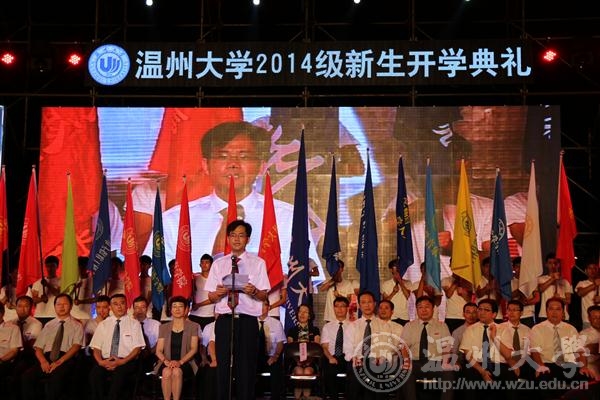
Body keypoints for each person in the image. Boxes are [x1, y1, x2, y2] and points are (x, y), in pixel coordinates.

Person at [146, 120, 322, 274]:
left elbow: (307, 278)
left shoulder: (288, 218)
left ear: (261, 167)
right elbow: (152, 278)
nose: (233, 164)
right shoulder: (175, 220)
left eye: (243, 156)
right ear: (206, 165)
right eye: (223, 156)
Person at [206, 220, 270, 400]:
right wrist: (218, 293)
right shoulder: (219, 264)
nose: (236, 239)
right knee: (223, 366)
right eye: (233, 235)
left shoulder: (258, 263)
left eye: (241, 235)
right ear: (228, 238)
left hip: (248, 320)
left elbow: (264, 295)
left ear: (247, 239)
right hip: (225, 320)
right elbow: (211, 297)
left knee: (246, 367)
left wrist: (254, 291)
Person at [529, 298, 596, 399]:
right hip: (548, 365)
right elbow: (534, 351)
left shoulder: (571, 329)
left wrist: (583, 366)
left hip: (568, 365)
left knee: (587, 377)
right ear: (546, 311)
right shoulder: (537, 328)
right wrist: (540, 365)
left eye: (558, 309)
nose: (554, 312)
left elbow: (579, 350)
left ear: (563, 312)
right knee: (543, 379)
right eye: (551, 309)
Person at [21, 294, 84, 400]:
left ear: (71, 306)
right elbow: (38, 348)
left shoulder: (77, 325)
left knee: (56, 379)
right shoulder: (48, 325)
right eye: (58, 304)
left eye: (65, 304)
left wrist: (59, 362)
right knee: (27, 377)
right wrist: (43, 362)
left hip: (65, 358)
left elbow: (76, 347)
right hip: (46, 358)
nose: (61, 307)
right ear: (54, 306)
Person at [88, 293, 145, 400]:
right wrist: (100, 362)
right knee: (95, 374)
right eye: (115, 304)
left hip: (126, 361)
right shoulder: (103, 324)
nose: (119, 306)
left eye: (122, 303)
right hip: (106, 360)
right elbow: (96, 347)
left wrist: (122, 362)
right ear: (110, 307)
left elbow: (137, 349)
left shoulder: (134, 324)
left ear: (126, 305)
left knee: (119, 376)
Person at [460, 299, 517, 400]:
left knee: (510, 377)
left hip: (498, 364)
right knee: (468, 375)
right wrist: (482, 372)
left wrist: (494, 337)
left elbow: (508, 355)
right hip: (477, 365)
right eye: (480, 309)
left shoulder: (503, 329)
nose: (482, 312)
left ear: (494, 314)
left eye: (486, 310)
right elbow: (468, 356)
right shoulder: (470, 330)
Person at [400, 296, 454, 400]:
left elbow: (447, 347)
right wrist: (407, 361)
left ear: (433, 309)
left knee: (448, 372)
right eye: (420, 307)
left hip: (435, 363)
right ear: (416, 310)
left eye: (427, 307)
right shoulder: (409, 326)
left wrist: (445, 362)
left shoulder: (442, 326)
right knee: (405, 371)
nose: (424, 310)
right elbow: (403, 347)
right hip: (415, 362)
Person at [343, 291, 388, 400]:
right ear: (359, 305)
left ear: (375, 304)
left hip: (377, 361)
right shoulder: (353, 326)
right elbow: (347, 348)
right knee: (356, 378)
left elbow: (387, 347)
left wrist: (381, 357)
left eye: (369, 302)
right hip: (358, 360)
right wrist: (353, 358)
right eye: (363, 302)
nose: (367, 305)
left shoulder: (383, 325)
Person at [154, 296, 201, 400]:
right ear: (170, 310)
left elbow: (194, 349)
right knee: (166, 372)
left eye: (180, 306)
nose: (177, 309)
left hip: (186, 362)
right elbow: (158, 350)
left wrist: (180, 362)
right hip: (166, 362)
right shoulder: (163, 327)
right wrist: (166, 361)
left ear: (186, 309)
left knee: (176, 371)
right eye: (174, 306)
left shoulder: (193, 326)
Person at [286, 303, 321, 400]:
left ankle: (306, 397)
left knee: (308, 372)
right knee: (299, 371)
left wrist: (308, 361)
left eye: (305, 312)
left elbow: (316, 348)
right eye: (300, 311)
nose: (302, 314)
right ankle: (297, 398)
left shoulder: (315, 330)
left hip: (311, 362)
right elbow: (290, 348)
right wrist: (298, 361)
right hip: (295, 362)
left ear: (309, 315)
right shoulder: (292, 331)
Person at [321, 296, 350, 400]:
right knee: (329, 371)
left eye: (342, 306)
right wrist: (330, 357)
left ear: (347, 308)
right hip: (332, 357)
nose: (339, 309)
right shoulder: (327, 326)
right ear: (333, 308)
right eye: (337, 306)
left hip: (348, 357)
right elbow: (324, 347)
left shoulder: (353, 325)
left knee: (354, 371)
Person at [256, 299, 285, 400]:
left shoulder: (276, 323)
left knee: (276, 365)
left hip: (271, 355)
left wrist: (275, 356)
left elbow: (280, 343)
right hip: (255, 357)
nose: (261, 307)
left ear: (268, 307)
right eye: (259, 305)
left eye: (264, 305)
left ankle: (275, 396)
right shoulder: (251, 323)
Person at [537, 253, 572, 322]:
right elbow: (540, 289)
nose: (553, 265)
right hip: (545, 314)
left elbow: (568, 301)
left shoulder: (565, 281)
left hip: (561, 315)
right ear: (546, 264)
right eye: (550, 263)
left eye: (555, 263)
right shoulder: (541, 279)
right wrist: (553, 278)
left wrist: (560, 298)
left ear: (558, 265)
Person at [381, 259, 415, 325]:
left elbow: (408, 297)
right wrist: (393, 293)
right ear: (391, 270)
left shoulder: (408, 283)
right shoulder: (386, 284)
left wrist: (401, 283)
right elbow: (385, 302)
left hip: (405, 316)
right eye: (395, 271)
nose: (397, 273)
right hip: (392, 316)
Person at [29, 255, 61, 325]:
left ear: (57, 266)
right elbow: (33, 300)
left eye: (52, 266)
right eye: (48, 266)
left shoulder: (61, 281)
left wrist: (47, 285)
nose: (50, 269)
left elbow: (58, 294)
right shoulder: (37, 282)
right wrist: (41, 299)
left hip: (54, 315)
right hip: (39, 315)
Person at [133, 295, 160, 371]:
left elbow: (159, 343)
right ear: (133, 309)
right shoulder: (129, 325)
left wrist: (149, 352)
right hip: (133, 356)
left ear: (147, 308)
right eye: (137, 307)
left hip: (151, 355)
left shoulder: (156, 324)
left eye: (143, 307)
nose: (140, 310)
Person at [510, 256, 539, 328]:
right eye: (517, 267)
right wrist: (520, 289)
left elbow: (537, 298)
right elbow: (509, 296)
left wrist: (525, 302)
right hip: (514, 315)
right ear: (513, 268)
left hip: (528, 315)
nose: (520, 269)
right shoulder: (510, 282)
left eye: (522, 267)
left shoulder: (531, 281)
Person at [190, 253, 216, 330]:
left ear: (211, 265)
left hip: (209, 315)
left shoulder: (215, 279)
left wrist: (199, 305)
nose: (204, 265)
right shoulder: (195, 278)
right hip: (194, 314)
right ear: (200, 265)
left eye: (207, 262)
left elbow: (215, 298)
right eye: (202, 262)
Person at [575, 260, 600, 329]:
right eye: (590, 268)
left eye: (594, 268)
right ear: (586, 271)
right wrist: (594, 284)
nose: (592, 270)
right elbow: (580, 293)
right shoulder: (582, 283)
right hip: (588, 320)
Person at [0, 302, 22, 379]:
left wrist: (1, 360)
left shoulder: (13, 328)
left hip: (4, 362)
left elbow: (14, 351)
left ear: (2, 313)